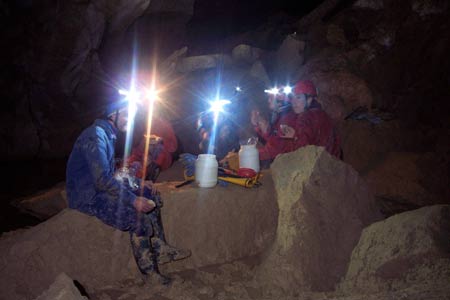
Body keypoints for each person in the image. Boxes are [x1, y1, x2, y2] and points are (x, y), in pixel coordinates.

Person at [65, 90, 191, 286]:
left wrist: (138, 184)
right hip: (87, 196)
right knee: (138, 219)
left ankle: (161, 248)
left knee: (149, 193)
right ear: (112, 114)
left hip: (98, 187)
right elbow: (102, 180)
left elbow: (111, 173)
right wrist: (133, 200)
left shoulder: (107, 135)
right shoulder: (95, 137)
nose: (130, 119)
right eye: (126, 114)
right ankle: (151, 275)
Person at [280, 80, 342, 158]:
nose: (294, 102)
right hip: (333, 163)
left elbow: (302, 151)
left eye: (298, 97)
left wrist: (295, 137)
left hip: (318, 165)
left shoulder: (305, 117)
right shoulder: (322, 114)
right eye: (292, 98)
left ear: (309, 100)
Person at [251, 86, 296, 166]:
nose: (268, 100)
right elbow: (274, 139)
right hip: (286, 160)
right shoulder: (281, 117)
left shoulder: (287, 119)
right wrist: (258, 126)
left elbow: (275, 148)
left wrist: (251, 155)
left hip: (288, 163)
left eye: (271, 98)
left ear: (280, 102)